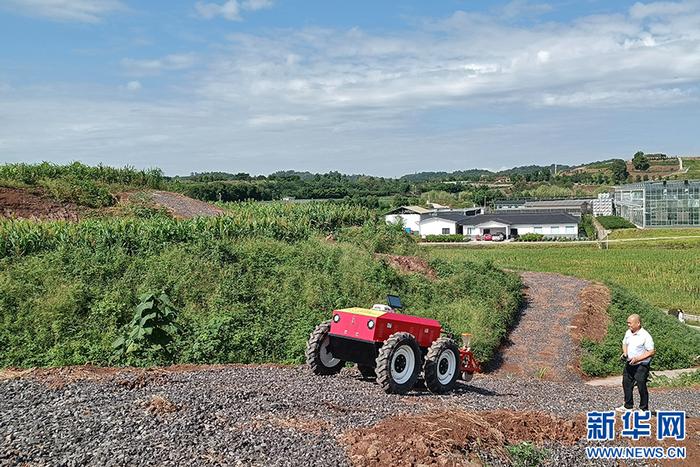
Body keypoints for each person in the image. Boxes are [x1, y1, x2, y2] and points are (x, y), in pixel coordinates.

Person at [616, 314, 655, 412]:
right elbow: (624, 343)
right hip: (630, 363)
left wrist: (638, 359)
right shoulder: (628, 332)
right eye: (627, 323)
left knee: (641, 385)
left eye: (630, 323)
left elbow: (651, 351)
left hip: (641, 365)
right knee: (626, 383)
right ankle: (628, 406)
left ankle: (644, 408)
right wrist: (625, 353)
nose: (628, 325)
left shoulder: (645, 336)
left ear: (638, 323)